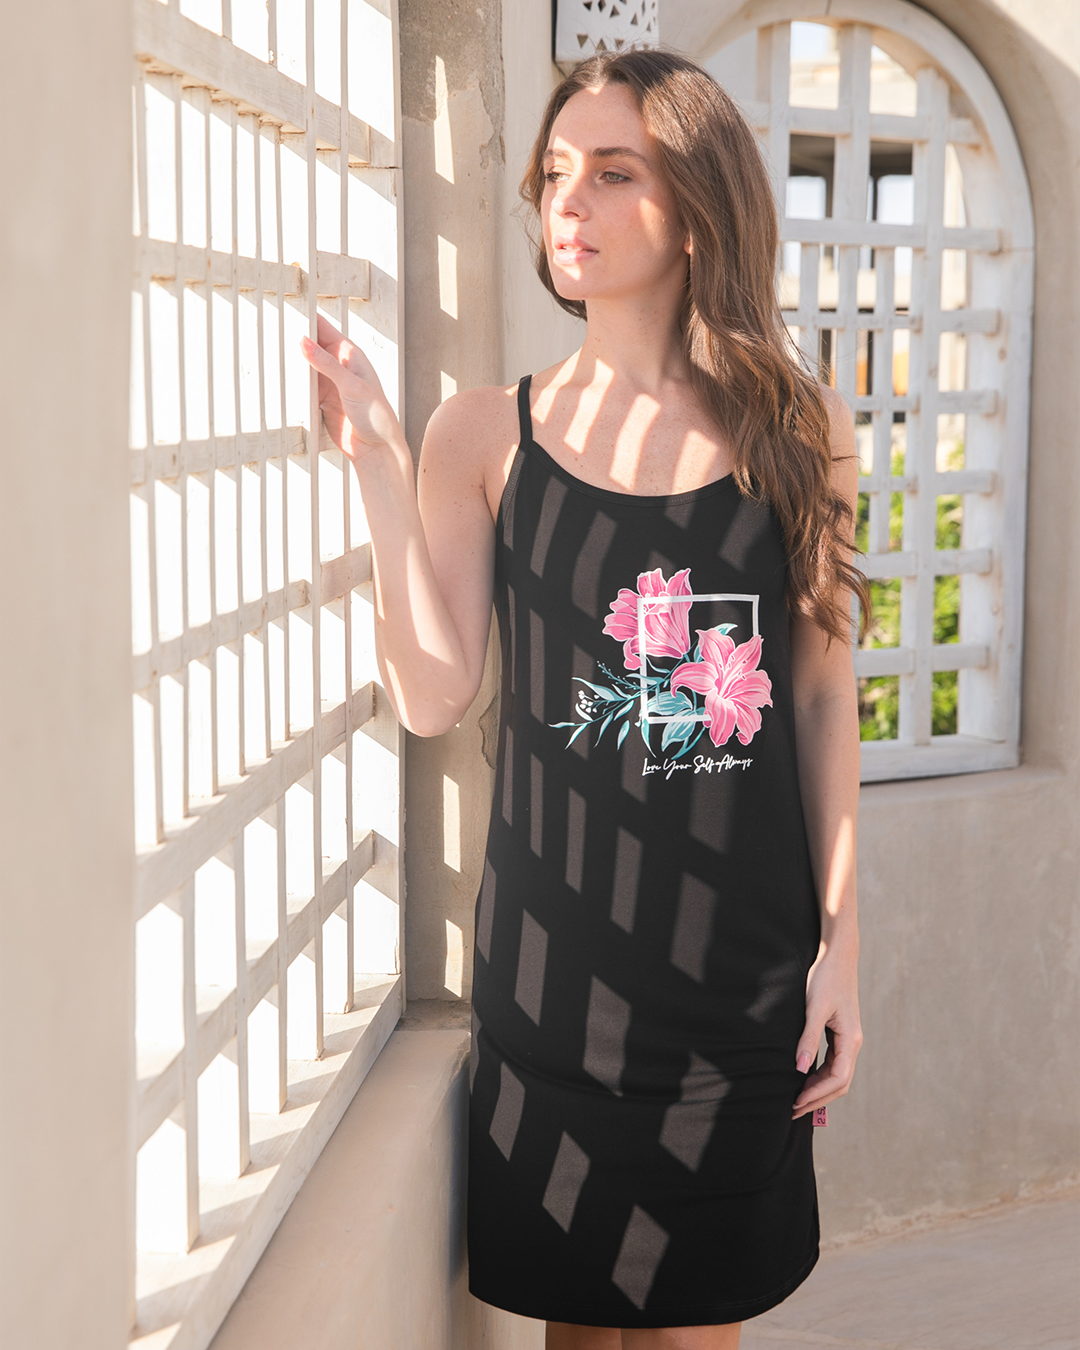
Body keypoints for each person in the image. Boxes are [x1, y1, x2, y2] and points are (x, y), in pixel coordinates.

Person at [301, 47, 864, 1350]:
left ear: (699, 205)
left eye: (614, 172)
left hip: (743, 981)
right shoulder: (482, 434)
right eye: (556, 171)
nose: (570, 199)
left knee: (700, 1319)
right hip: (557, 977)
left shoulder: (801, 429)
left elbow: (821, 698)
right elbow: (434, 693)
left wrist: (847, 947)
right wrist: (380, 460)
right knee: (577, 1328)